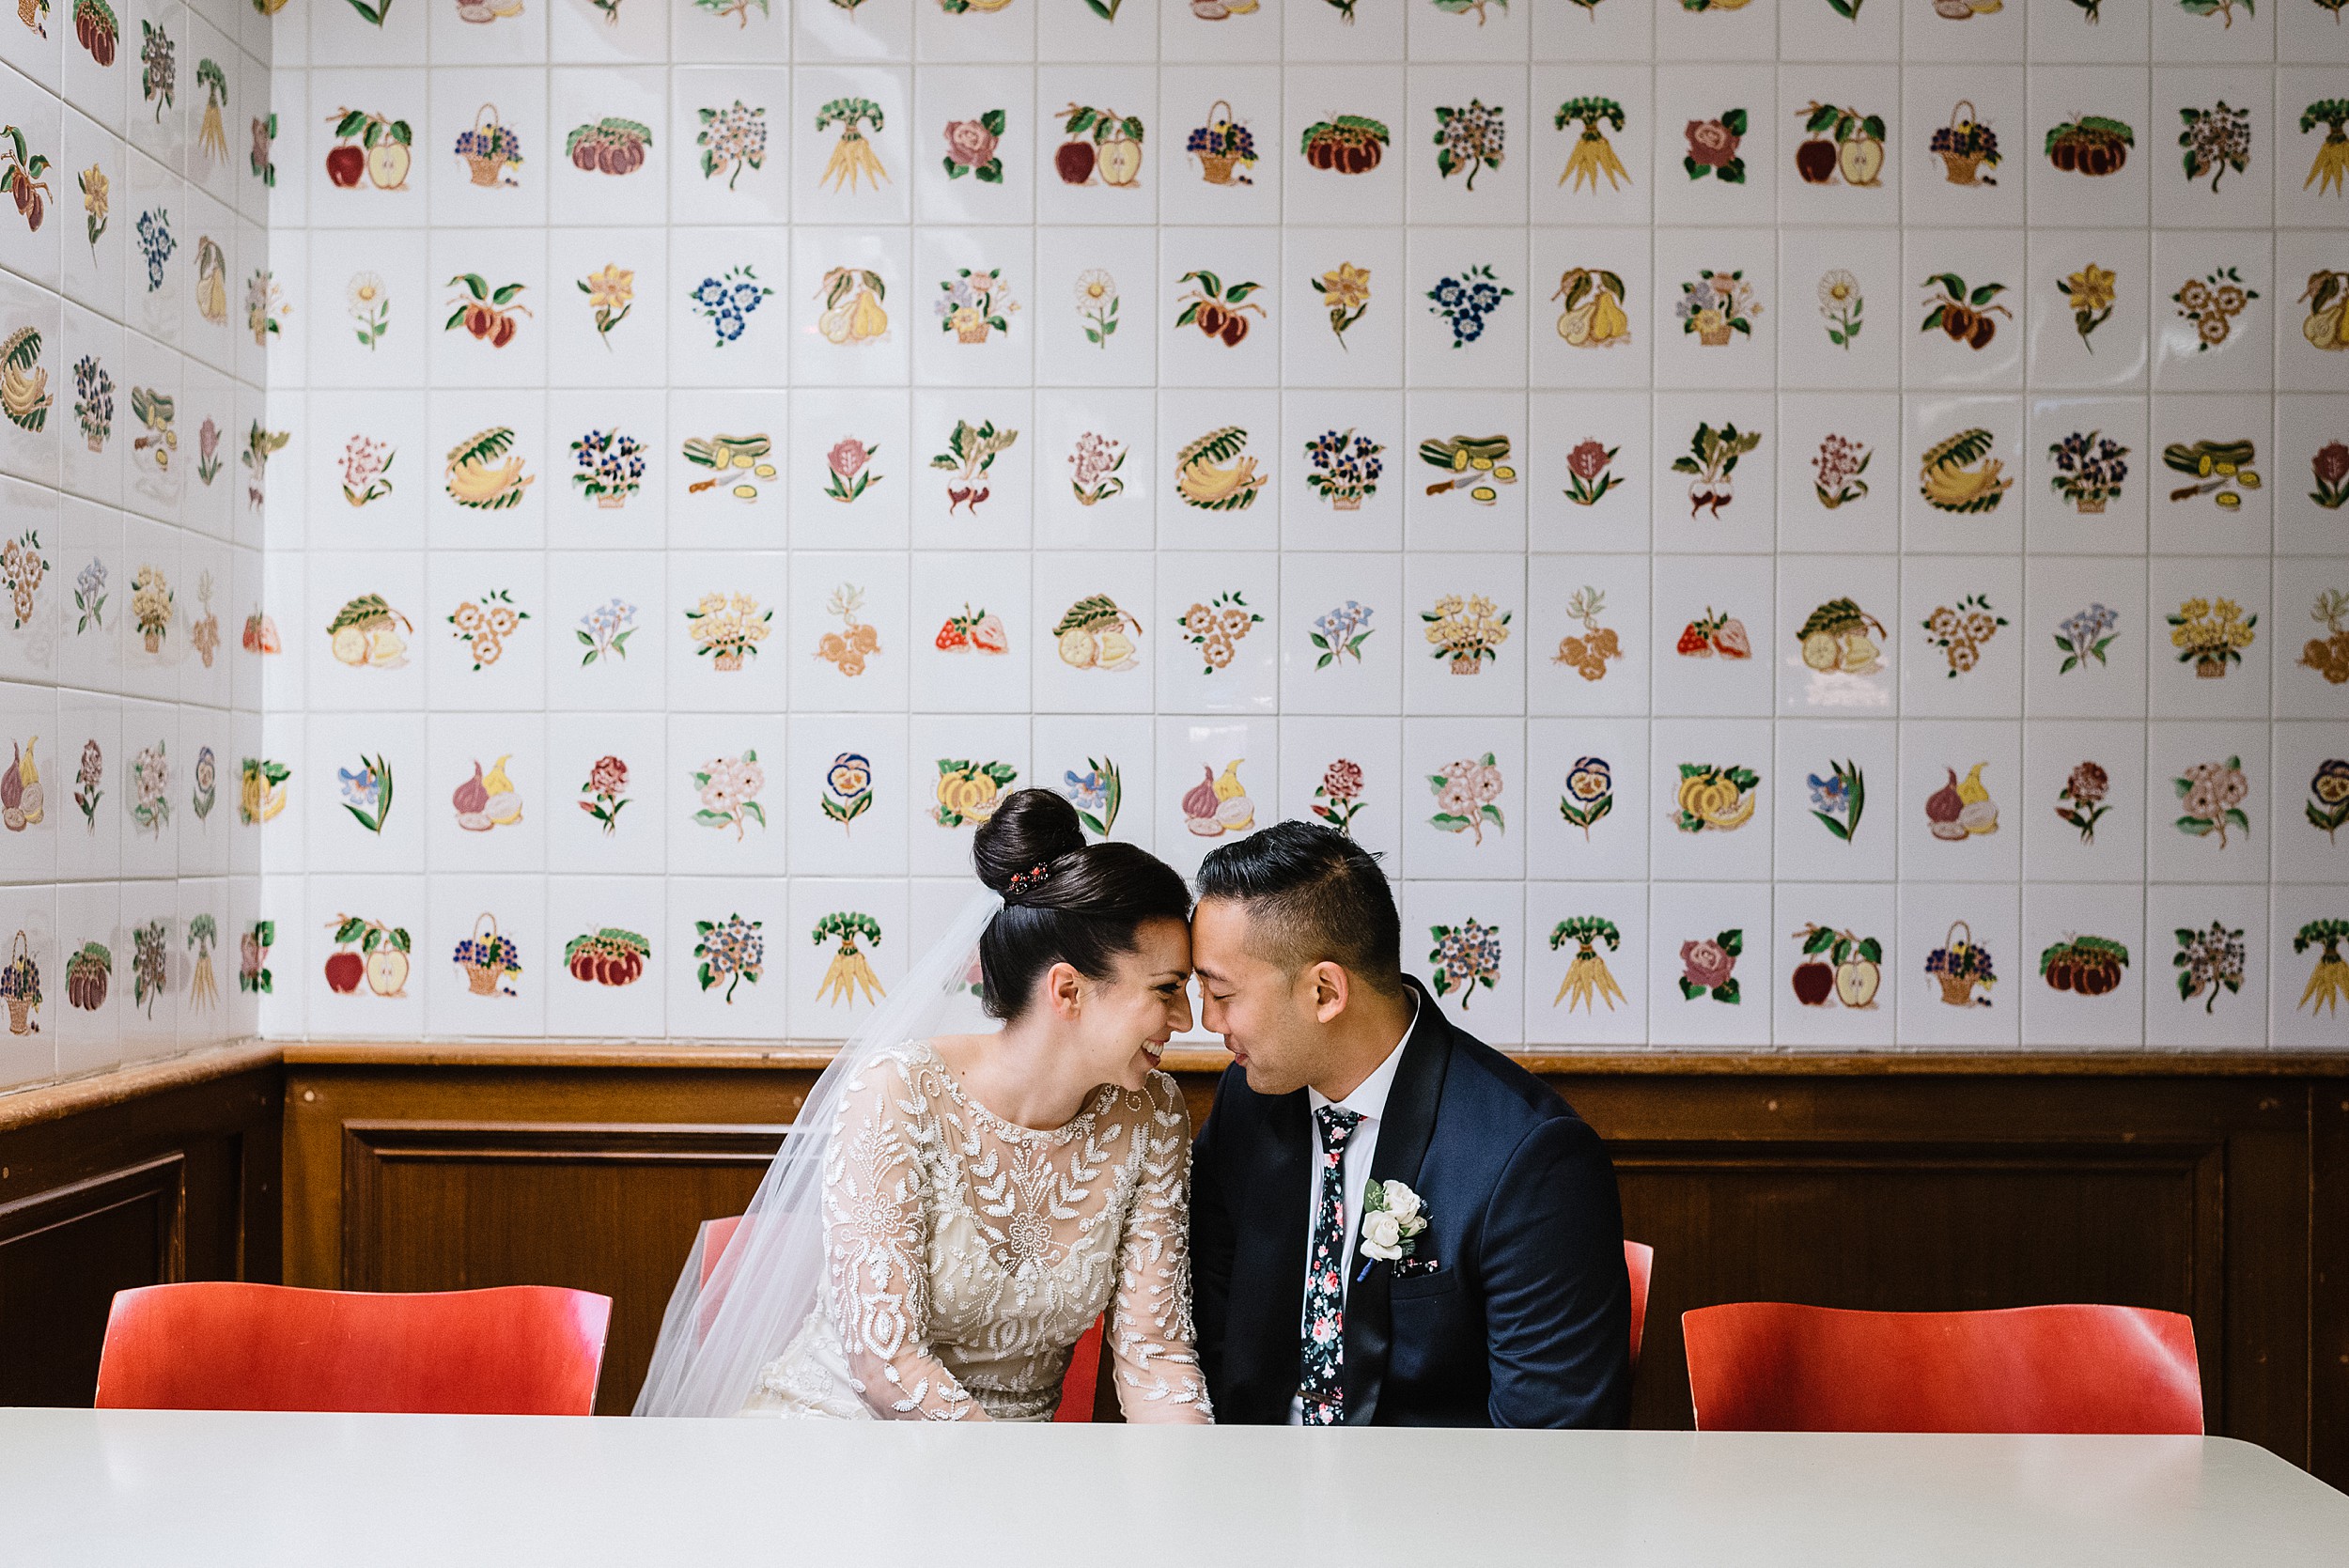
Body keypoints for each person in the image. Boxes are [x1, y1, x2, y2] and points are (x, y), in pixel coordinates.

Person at [634, 789, 1212, 1422]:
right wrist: (1012, 1491)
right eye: (1167, 990)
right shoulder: (898, 1091)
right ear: (1068, 990)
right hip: (840, 1443)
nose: (1186, 1018)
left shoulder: (1153, 1111)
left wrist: (1182, 1495)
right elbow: (890, 1367)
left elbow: (1154, 1350)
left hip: (1016, 1472)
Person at [1188, 820, 1631, 1427]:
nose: (1206, 1020)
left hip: (1431, 1511)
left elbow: (1551, 1449)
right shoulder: (1251, 1096)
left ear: (1324, 991)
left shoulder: (1531, 1159)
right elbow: (1206, 1325)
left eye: (1221, 993)